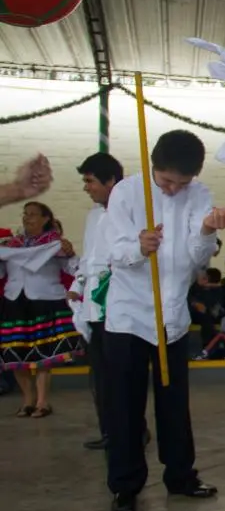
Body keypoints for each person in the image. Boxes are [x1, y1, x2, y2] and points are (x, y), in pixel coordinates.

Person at [101, 130, 225, 511]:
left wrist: (207, 230)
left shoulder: (199, 194)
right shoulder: (126, 193)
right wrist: (138, 247)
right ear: (153, 167)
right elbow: (113, 251)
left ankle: (181, 476)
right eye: (166, 181)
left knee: (175, 404)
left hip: (172, 315)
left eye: (182, 182)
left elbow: (197, 257)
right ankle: (125, 485)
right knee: (124, 407)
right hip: (129, 316)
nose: (173, 189)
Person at [0, 202, 84, 417]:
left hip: (45, 299)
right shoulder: (12, 245)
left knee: (45, 353)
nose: (27, 218)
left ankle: (42, 402)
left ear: (45, 219)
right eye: (25, 214)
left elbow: (73, 268)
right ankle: (28, 399)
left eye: (33, 214)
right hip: (15, 300)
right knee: (15, 352)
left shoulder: (54, 244)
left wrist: (69, 253)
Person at [70, 152, 124, 449]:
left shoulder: (128, 212)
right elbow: (89, 259)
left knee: (119, 375)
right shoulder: (93, 216)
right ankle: (109, 431)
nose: (86, 187)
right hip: (92, 304)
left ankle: (130, 430)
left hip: (116, 304)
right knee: (100, 375)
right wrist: (77, 285)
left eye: (90, 181)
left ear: (110, 180)